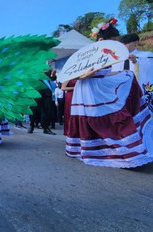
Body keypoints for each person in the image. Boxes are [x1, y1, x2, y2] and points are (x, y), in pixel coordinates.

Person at [66, 18, 153, 168]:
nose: (115, 44)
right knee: (108, 115)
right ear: (101, 39)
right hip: (92, 89)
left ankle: (108, 147)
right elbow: (79, 75)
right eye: (113, 40)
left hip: (96, 87)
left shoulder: (103, 53)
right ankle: (117, 149)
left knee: (110, 111)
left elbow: (105, 71)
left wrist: (124, 69)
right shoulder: (90, 55)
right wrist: (87, 75)